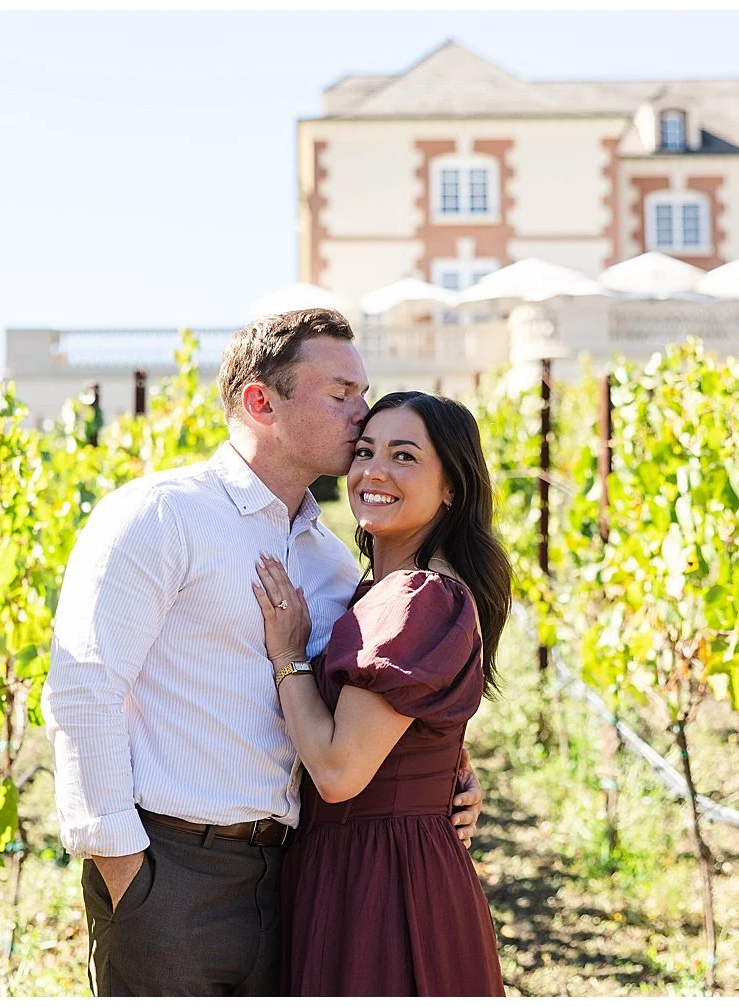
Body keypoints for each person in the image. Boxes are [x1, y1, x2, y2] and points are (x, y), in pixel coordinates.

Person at [43, 310, 485, 996]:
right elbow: (82, 690)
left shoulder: (334, 564)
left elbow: (382, 698)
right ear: (260, 401)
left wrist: (451, 772)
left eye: (362, 394)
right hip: (171, 874)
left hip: (299, 879)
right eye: (341, 394)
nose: (360, 414)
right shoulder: (160, 515)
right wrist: (128, 874)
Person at [251, 390, 512, 996]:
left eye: (404, 456)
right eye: (366, 451)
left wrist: (288, 656)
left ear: (452, 487)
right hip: (372, 863)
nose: (375, 471)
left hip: (380, 881)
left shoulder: (418, 597)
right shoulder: (379, 588)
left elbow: (339, 772)